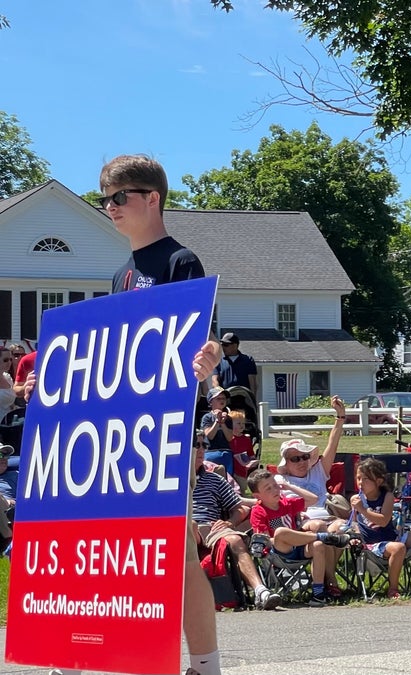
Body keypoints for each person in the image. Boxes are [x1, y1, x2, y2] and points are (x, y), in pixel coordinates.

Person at [48, 155, 225, 675]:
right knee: (101, 541)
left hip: (162, 433)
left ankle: (206, 664)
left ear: (152, 198)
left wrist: (208, 356)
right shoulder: (119, 275)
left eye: (119, 196)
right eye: (103, 198)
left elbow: (202, 333)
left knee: (178, 551)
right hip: (113, 434)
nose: (109, 207)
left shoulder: (180, 262)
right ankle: (79, 654)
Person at [187, 431, 282, 611]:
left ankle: (260, 591)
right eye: (196, 445)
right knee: (189, 527)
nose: (201, 450)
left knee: (236, 540)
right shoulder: (172, 480)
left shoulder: (214, 479)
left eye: (204, 445)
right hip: (183, 528)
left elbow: (240, 508)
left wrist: (230, 523)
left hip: (210, 528)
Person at [246, 469, 352, 605]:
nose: (274, 490)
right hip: (280, 552)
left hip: (299, 548)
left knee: (318, 545)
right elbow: (266, 541)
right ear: (257, 496)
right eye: (268, 488)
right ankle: (323, 537)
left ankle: (318, 594)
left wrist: (289, 486)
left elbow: (314, 499)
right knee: (280, 532)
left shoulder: (286, 503)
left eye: (275, 485)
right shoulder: (258, 511)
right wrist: (291, 537)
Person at [348, 456, 411, 597]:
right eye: (358, 478)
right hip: (373, 545)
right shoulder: (357, 499)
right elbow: (352, 523)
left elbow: (383, 521)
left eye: (365, 479)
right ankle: (393, 589)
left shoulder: (387, 496)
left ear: (378, 481)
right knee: (399, 548)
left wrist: (363, 510)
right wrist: (354, 534)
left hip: (393, 537)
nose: (360, 483)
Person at [273, 396, 349, 534]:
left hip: (328, 518)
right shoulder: (280, 480)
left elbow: (332, 445)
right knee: (319, 527)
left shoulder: (318, 471)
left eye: (305, 456)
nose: (301, 462)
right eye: (295, 459)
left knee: (342, 527)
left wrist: (340, 417)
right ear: (286, 463)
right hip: (300, 523)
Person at [211, 332, 259, 400]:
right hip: (226, 400)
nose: (223, 347)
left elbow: (253, 383)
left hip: (243, 400)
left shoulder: (248, 360)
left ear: (235, 345)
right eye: (222, 345)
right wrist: (221, 395)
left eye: (226, 345)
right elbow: (214, 381)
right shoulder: (219, 361)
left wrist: (252, 400)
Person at [200, 387, 235, 476]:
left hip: (226, 452)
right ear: (211, 401)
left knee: (228, 478)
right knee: (212, 476)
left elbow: (229, 437)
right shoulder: (207, 417)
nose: (222, 400)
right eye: (218, 398)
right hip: (211, 452)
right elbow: (210, 435)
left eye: (223, 398)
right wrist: (216, 421)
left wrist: (223, 423)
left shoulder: (228, 418)